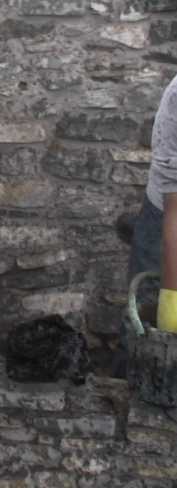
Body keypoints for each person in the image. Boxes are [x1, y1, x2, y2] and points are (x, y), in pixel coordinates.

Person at [111, 73, 177, 378]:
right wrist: (171, 307)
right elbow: (174, 213)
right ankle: (125, 402)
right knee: (145, 332)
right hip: (167, 212)